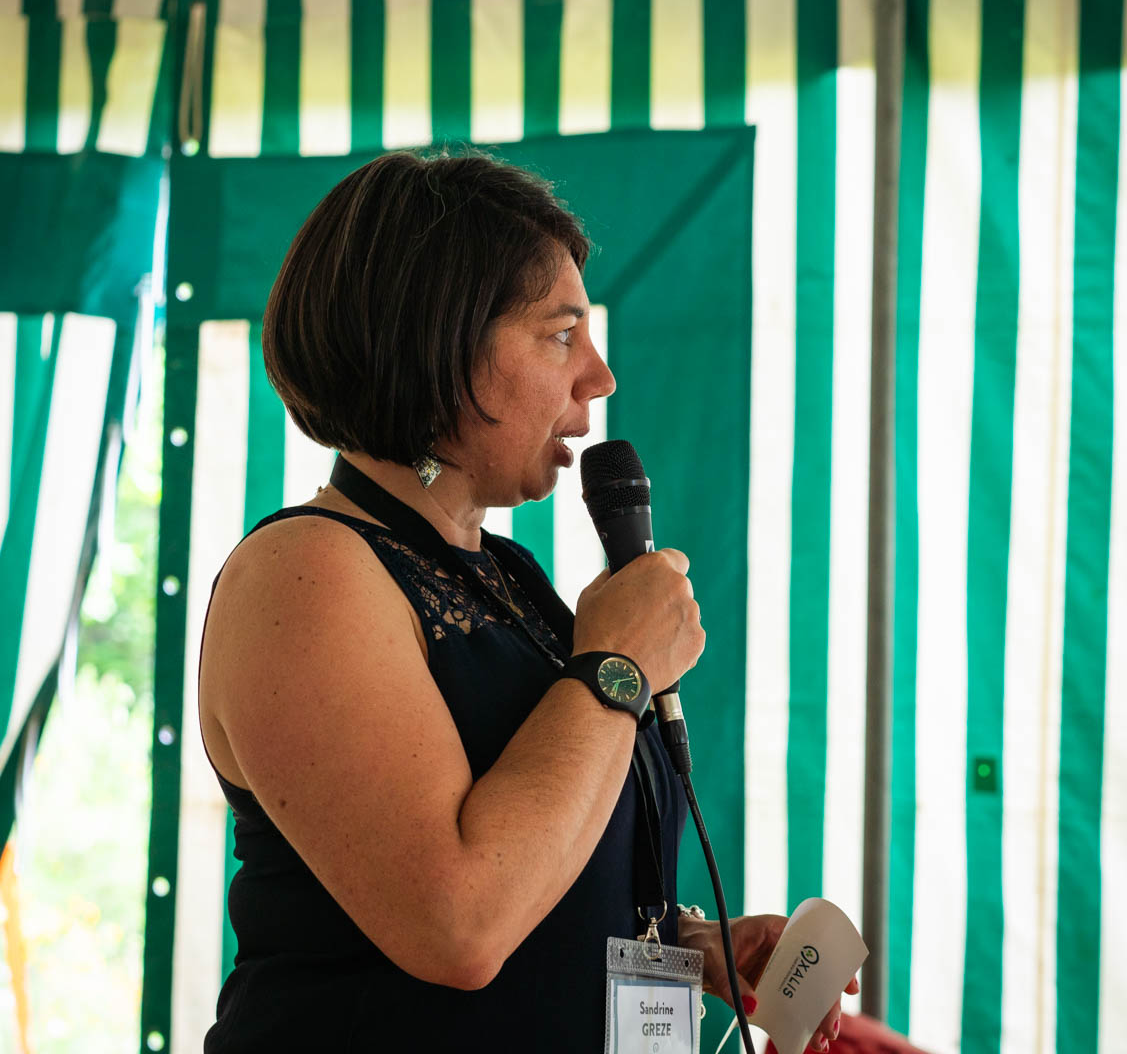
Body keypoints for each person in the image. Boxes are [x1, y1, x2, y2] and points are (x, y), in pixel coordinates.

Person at [197, 150, 854, 1051]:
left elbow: (545, 855)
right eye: (561, 334)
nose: (599, 376)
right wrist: (617, 666)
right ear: (437, 341)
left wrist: (693, 943)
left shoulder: (509, 577)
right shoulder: (302, 573)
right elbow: (458, 924)